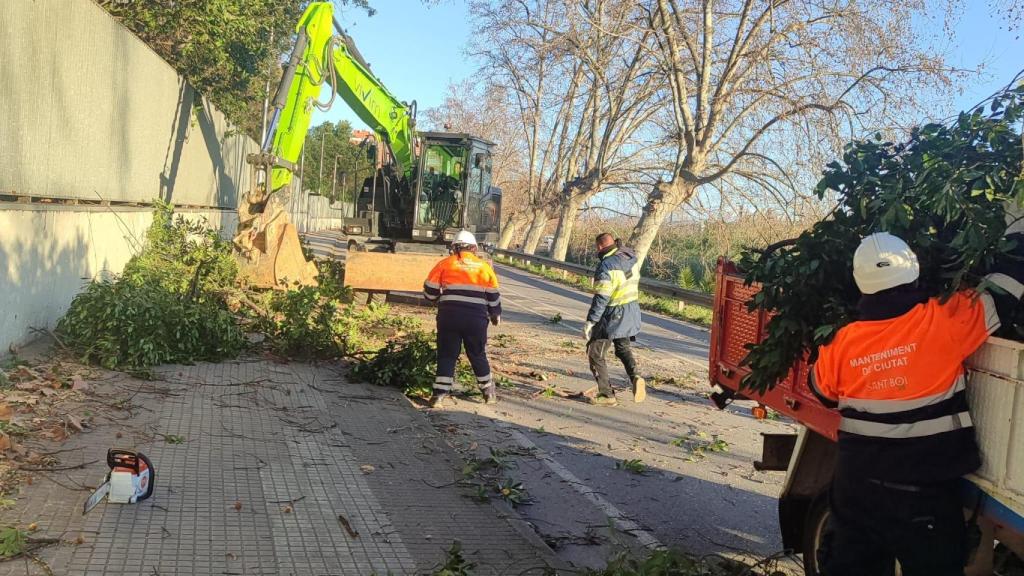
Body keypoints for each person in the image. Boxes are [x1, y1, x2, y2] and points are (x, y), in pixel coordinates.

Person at [811, 232, 1024, 575]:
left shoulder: (843, 342)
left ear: (860, 283)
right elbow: (1002, 294)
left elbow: (820, 388)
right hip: (923, 497)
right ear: (913, 271)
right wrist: (1018, 243)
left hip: (857, 490)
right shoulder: (944, 320)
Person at [423, 230, 502, 406]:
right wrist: (495, 314)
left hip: (449, 317)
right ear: (474, 248)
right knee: (477, 353)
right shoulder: (484, 267)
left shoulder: (444, 264)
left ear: (454, 248)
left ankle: (438, 395)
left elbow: (429, 291)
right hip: (476, 319)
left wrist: (437, 300)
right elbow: (493, 296)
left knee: (447, 355)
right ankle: (488, 393)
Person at [583, 233, 646, 406]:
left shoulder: (606, 265)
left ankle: (606, 395)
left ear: (599, 247)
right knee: (622, 348)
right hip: (631, 311)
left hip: (613, 315)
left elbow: (602, 297)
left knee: (595, 352)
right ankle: (636, 376)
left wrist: (591, 321)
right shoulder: (630, 256)